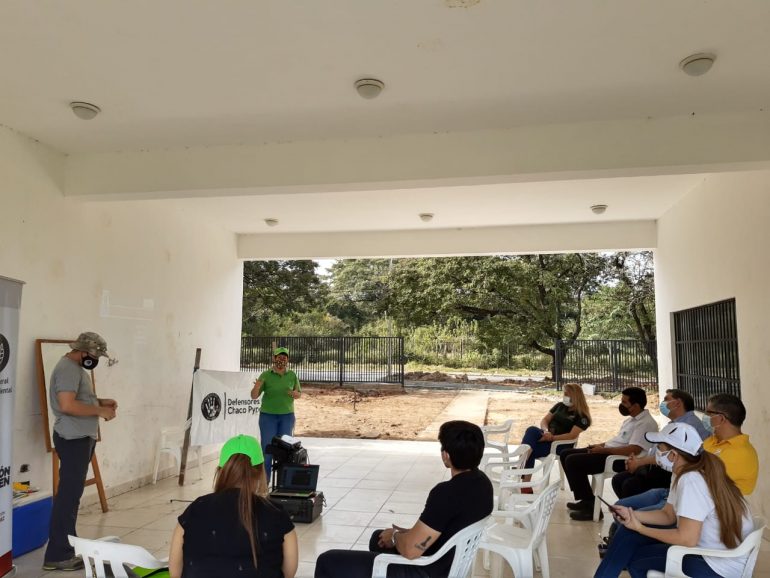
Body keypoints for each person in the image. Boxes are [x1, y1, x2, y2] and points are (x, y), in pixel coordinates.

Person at [314, 420, 493, 578]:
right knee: (377, 538)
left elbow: (411, 550)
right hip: (447, 560)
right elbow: (446, 526)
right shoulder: (483, 483)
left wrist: (395, 536)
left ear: (446, 455)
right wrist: (404, 533)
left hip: (427, 570)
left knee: (327, 561)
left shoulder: (446, 493)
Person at [594, 422, 753, 578]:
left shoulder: (691, 480)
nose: (656, 452)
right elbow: (668, 515)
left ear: (674, 455)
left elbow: (687, 539)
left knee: (635, 558)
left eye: (660, 448)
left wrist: (640, 528)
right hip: (712, 555)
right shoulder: (684, 471)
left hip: (715, 566)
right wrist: (631, 515)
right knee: (629, 535)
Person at [169, 434, 298, 578]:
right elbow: (289, 573)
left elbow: (175, 572)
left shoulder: (195, 510)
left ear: (220, 471)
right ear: (260, 472)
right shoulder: (277, 514)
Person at [43, 332, 117, 571]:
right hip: (73, 438)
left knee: (71, 496)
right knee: (68, 496)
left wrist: (99, 402)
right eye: (95, 356)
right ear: (85, 352)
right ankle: (57, 554)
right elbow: (67, 405)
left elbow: (76, 399)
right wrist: (100, 411)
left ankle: (67, 546)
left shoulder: (74, 368)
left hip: (79, 437)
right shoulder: (68, 369)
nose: (95, 360)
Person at [560, 387, 658, 521]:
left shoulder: (645, 423)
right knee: (565, 454)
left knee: (573, 461)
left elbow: (634, 450)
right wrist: (600, 445)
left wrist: (604, 450)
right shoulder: (630, 420)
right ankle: (585, 499)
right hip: (608, 452)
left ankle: (590, 507)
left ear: (635, 406)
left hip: (620, 460)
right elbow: (618, 441)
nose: (621, 405)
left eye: (624, 402)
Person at [611, 389, 708, 501]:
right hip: (660, 467)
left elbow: (671, 455)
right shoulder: (675, 423)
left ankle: (634, 510)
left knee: (630, 485)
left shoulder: (687, 426)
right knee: (618, 480)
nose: (663, 403)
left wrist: (640, 462)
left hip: (674, 471)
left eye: (666, 399)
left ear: (677, 403)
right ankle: (630, 509)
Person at [518, 382, 591, 491]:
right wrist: (546, 431)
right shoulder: (560, 406)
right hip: (548, 436)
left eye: (566, 394)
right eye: (564, 393)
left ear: (575, 396)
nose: (564, 396)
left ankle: (524, 481)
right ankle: (521, 467)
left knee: (531, 449)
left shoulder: (582, 416)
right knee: (531, 430)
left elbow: (572, 435)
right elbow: (545, 420)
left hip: (560, 445)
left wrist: (552, 438)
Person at [251, 347, 302, 480]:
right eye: (279, 357)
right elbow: (254, 396)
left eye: (284, 357)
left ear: (288, 360)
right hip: (268, 417)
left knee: (286, 449)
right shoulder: (266, 375)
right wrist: (257, 386)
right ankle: (265, 480)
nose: (282, 360)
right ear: (274, 358)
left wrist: (295, 394)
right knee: (267, 448)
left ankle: (283, 481)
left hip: (287, 416)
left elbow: (299, 394)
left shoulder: (292, 375)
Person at [701, 393, 758, 496]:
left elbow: (701, 481)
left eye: (708, 413)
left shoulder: (741, 454)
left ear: (721, 418)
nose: (704, 417)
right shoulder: (712, 440)